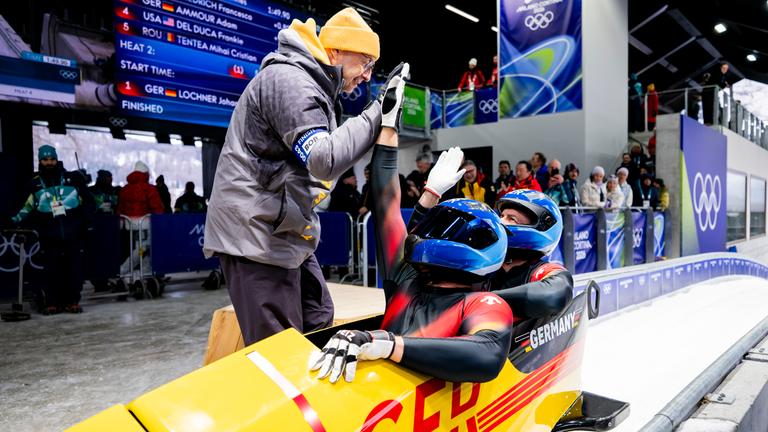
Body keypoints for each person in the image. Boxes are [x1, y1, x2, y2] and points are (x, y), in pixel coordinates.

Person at [204, 7, 406, 345]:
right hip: (255, 236)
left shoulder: (311, 84)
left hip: (283, 231)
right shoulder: (290, 81)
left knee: (317, 316)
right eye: (365, 62)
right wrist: (378, 113)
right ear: (336, 51)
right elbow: (323, 159)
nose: (368, 75)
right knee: (278, 348)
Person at [311, 136, 513, 384]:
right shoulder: (406, 278)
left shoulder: (484, 303)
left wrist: (387, 344)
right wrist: (388, 130)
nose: (425, 234)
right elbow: (386, 206)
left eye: (442, 228)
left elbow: (487, 356)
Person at [10, 145, 95, 314]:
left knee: (74, 270)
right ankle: (52, 303)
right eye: (45, 160)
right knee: (51, 271)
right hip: (49, 235)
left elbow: (89, 202)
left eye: (52, 159)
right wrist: (12, 222)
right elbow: (26, 208)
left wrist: (86, 222)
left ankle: (72, 301)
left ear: (57, 159)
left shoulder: (73, 179)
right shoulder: (34, 184)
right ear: (40, 161)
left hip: (73, 233)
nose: (49, 162)